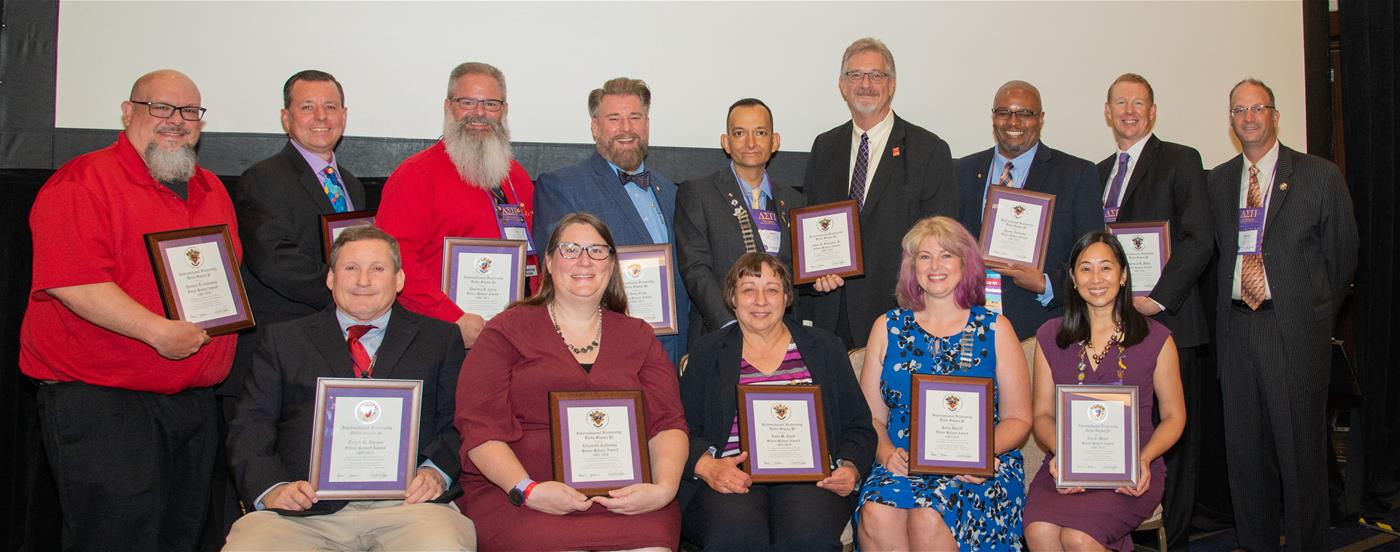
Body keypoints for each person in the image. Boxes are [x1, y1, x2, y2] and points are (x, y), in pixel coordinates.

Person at [20, 69, 238, 550]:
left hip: (191, 404)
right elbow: (74, 282)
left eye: (189, 112)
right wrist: (157, 332)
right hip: (104, 404)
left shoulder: (211, 189)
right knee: (116, 540)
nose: (176, 121)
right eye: (160, 107)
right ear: (127, 112)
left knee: (179, 538)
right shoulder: (81, 182)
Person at [224, 226, 475, 550]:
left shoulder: (440, 340)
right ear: (330, 278)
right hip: (302, 510)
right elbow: (250, 424)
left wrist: (435, 472)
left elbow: (461, 421)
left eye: (378, 269)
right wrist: (272, 488)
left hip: (409, 507)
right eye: (351, 268)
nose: (363, 281)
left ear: (399, 279)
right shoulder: (284, 340)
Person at [456, 212, 689, 550]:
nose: (584, 261)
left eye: (597, 250)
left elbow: (668, 424)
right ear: (549, 262)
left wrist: (663, 490)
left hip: (626, 501)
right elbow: (479, 427)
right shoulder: (505, 330)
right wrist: (527, 489)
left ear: (611, 265)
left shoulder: (638, 335)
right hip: (521, 496)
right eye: (570, 249)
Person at [212, 70, 366, 541]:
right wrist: (356, 292)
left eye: (330, 107)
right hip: (274, 355)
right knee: (261, 487)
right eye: (307, 107)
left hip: (327, 347)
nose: (320, 117)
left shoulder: (352, 184)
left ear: (344, 116)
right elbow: (273, 260)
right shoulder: (264, 179)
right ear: (285, 117)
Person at [1206, 78, 1357, 552]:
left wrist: (1309, 313)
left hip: (1291, 331)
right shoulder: (1217, 180)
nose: (1248, 117)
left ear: (1275, 115)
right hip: (1235, 331)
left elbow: (1342, 256)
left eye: (1258, 108)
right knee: (1244, 456)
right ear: (1230, 120)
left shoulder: (1319, 174)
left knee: (1300, 457)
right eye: (1239, 110)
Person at [855, 216, 1032, 551]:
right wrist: (887, 452)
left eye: (946, 255)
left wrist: (980, 455)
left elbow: (1019, 419)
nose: (935, 265)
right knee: (877, 510)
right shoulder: (886, 326)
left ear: (965, 263)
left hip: (980, 464)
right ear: (912, 267)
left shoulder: (996, 328)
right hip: (902, 459)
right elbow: (871, 419)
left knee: (929, 515)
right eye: (924, 256)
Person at [679, 252, 875, 550]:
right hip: (732, 474)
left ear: (787, 297)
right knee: (735, 534)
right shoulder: (707, 352)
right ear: (732, 297)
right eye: (748, 290)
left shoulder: (825, 347)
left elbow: (858, 425)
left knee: (807, 535)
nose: (761, 300)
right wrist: (707, 466)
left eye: (772, 290)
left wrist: (850, 466)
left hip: (811, 479)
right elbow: (681, 426)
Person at [1096, 72, 1215, 547]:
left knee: (1174, 436)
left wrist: (1157, 296)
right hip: (1119, 325)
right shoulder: (1100, 169)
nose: (1129, 111)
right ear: (1107, 112)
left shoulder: (1181, 160)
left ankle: (1177, 537)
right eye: (1120, 103)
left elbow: (1199, 237)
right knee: (1131, 430)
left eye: (1138, 103)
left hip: (1169, 320)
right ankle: (1129, 529)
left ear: (1153, 111)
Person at [1023, 231, 1186, 552]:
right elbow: (1042, 414)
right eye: (1085, 268)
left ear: (1123, 275)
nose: (1095, 278)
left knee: (1078, 538)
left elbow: (1174, 416)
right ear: (1072, 277)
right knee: (1040, 531)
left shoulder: (1158, 338)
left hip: (1133, 467)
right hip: (1067, 465)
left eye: (1106, 268)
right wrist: (1064, 455)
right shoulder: (1050, 335)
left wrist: (1144, 458)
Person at [802, 37, 958, 349]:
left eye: (876, 75)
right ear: (842, 85)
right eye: (855, 75)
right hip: (833, 311)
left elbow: (940, 242)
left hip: (899, 312)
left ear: (892, 84)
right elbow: (812, 225)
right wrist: (814, 276)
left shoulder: (929, 150)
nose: (866, 84)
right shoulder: (825, 146)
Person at [375, 61, 534, 348]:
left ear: (505, 110)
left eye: (491, 103)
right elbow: (394, 258)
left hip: (510, 337)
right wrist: (453, 317)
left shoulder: (517, 179)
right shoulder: (415, 176)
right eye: (467, 102)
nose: (479, 113)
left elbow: (531, 258)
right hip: (435, 336)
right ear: (448, 107)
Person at [532, 77, 689, 365]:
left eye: (635, 117)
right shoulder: (561, 188)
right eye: (614, 118)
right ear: (595, 127)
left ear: (647, 123)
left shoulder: (672, 193)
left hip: (675, 353)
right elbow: (562, 275)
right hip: (605, 352)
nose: (626, 128)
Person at [955, 80, 1103, 344]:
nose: (1013, 122)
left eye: (1025, 113)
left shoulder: (1076, 174)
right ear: (993, 117)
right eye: (1004, 113)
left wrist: (1047, 285)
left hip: (1043, 325)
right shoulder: (961, 171)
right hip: (969, 322)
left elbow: (1094, 254)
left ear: (1041, 118)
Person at [676, 99, 806, 343]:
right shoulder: (698, 193)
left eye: (760, 132)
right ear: (726, 142)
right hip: (720, 336)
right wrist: (731, 326)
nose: (751, 143)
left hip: (782, 336)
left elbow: (797, 272)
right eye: (739, 133)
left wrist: (819, 278)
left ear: (774, 141)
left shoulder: (795, 201)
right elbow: (695, 270)